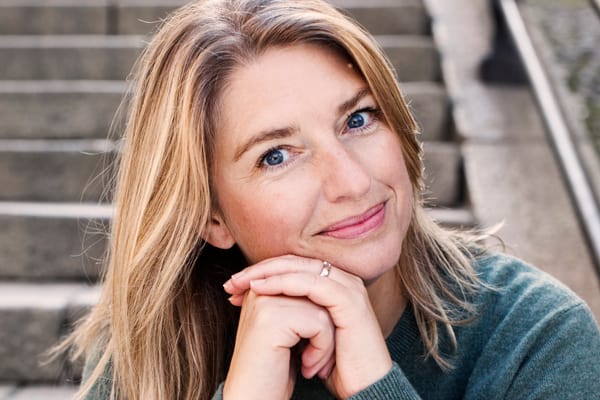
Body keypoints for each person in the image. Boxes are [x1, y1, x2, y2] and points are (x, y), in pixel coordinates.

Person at [63, 0, 600, 399]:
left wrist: (376, 387)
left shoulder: (536, 339)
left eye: (358, 120)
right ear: (211, 217)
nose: (352, 181)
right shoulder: (147, 354)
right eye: (277, 155)